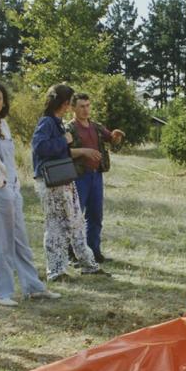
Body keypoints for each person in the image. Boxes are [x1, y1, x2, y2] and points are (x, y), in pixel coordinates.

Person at [0, 82, 61, 307]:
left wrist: (13, 184)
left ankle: (33, 287)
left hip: (11, 191)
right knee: (1, 242)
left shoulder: (2, 124)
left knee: (20, 241)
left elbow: (8, 160)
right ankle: (0, 292)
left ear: (4, 102)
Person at [31, 83, 105, 281]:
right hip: (51, 181)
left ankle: (88, 264)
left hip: (63, 178)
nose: (69, 106)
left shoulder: (57, 122)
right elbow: (39, 147)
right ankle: (56, 271)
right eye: (68, 102)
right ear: (63, 103)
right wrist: (63, 140)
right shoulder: (47, 122)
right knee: (56, 226)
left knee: (76, 222)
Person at [66, 92, 125, 263]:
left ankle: (94, 251)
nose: (85, 110)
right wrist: (84, 152)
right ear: (73, 108)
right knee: (75, 216)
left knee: (95, 216)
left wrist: (116, 136)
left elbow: (111, 140)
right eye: (81, 106)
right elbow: (63, 152)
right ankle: (73, 254)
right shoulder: (69, 128)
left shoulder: (96, 126)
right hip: (78, 176)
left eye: (87, 106)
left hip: (96, 175)